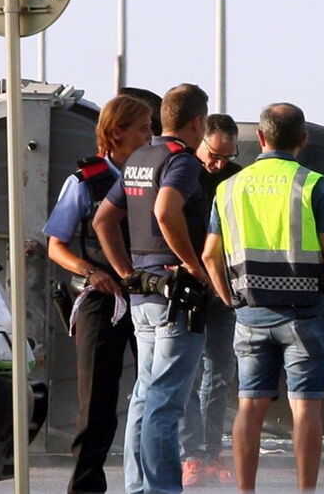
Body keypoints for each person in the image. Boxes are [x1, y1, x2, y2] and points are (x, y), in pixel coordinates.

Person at [202, 103, 324, 493]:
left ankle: (246, 490)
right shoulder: (312, 185)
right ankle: (305, 491)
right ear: (303, 141)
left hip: (250, 315)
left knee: (249, 406)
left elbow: (208, 255)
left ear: (262, 138)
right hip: (306, 316)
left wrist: (229, 300)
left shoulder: (229, 188)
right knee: (305, 408)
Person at [93, 83, 213, 494]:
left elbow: (103, 220)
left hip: (143, 294)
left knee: (144, 396)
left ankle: (137, 485)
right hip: (175, 299)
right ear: (198, 122)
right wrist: (195, 267)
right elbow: (166, 210)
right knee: (166, 402)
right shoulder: (181, 161)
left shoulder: (140, 158)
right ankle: (162, 489)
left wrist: (127, 272)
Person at [43, 94, 153, 494]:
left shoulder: (152, 176)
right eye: (142, 128)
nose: (150, 135)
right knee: (97, 404)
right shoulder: (84, 181)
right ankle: (86, 486)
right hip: (101, 299)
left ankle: (147, 481)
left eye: (151, 127)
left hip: (148, 296)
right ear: (117, 133)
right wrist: (90, 272)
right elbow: (56, 245)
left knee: (154, 393)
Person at [179, 115, 241, 486]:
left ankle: (213, 449)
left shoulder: (235, 177)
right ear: (200, 141)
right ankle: (191, 454)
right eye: (213, 155)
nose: (217, 164)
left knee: (220, 371)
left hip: (223, 286)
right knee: (188, 372)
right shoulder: (183, 170)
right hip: (188, 282)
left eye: (225, 157)